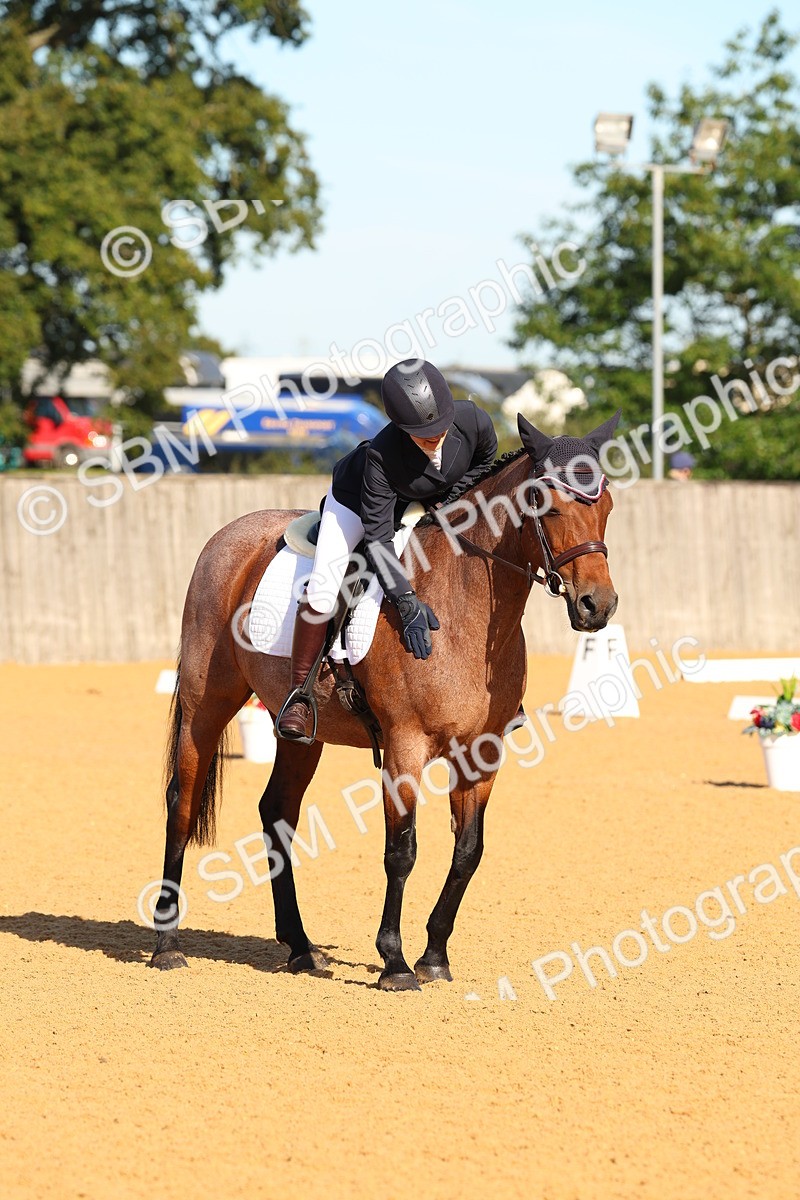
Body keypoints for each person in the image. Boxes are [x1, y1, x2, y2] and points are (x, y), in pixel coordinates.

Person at [276, 358, 498, 740]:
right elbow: (378, 538)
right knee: (326, 586)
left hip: (421, 498)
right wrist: (406, 601)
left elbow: (486, 463)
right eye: (423, 434)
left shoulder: (473, 420)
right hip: (356, 504)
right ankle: (300, 695)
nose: (435, 437)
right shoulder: (380, 456)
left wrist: (450, 498)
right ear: (400, 427)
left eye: (440, 428)